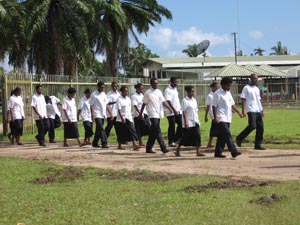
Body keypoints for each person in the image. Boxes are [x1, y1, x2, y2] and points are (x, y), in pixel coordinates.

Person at [139, 78, 172, 154]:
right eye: (154, 83)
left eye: (157, 83)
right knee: (157, 130)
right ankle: (163, 148)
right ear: (151, 84)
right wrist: (141, 114)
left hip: (158, 113)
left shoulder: (159, 92)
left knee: (153, 131)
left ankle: (148, 148)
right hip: (152, 113)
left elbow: (163, 101)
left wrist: (169, 108)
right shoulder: (147, 93)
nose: (156, 84)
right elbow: (144, 103)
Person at [212, 77, 243, 158]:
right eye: (228, 85)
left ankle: (218, 153)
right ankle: (233, 151)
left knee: (222, 136)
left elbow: (232, 104)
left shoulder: (228, 93)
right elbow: (214, 106)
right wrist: (215, 118)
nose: (229, 87)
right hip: (220, 117)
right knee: (227, 134)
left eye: (230, 85)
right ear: (223, 85)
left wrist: (239, 112)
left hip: (228, 117)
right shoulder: (217, 93)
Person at [236, 73, 265, 150]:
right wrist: (243, 111)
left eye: (257, 79)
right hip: (250, 109)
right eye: (255, 78)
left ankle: (258, 145)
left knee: (261, 127)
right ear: (251, 79)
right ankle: (239, 138)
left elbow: (259, 100)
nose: (256, 80)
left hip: (257, 110)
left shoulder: (257, 88)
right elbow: (243, 99)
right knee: (252, 126)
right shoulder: (246, 88)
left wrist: (262, 110)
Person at [175, 86, 205, 157]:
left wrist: (198, 119)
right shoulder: (185, 101)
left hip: (195, 121)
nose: (192, 93)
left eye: (193, 92)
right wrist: (186, 122)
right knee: (186, 137)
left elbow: (196, 110)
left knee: (198, 135)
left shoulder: (194, 100)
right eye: (191, 92)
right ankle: (178, 149)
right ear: (188, 92)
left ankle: (198, 151)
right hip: (189, 121)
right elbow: (184, 112)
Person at [90, 81, 113, 148]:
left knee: (98, 129)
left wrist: (110, 113)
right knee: (101, 128)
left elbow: (106, 104)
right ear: (98, 87)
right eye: (102, 87)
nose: (103, 88)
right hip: (97, 114)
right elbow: (91, 105)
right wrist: (92, 115)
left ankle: (95, 142)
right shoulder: (94, 94)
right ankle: (104, 142)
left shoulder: (104, 94)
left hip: (103, 114)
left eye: (104, 87)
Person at [116, 86, 139, 150]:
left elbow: (129, 108)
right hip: (121, 118)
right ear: (122, 92)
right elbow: (119, 109)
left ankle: (134, 144)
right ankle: (119, 145)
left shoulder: (128, 99)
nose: (126, 92)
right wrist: (122, 118)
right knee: (121, 132)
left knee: (132, 130)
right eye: (125, 91)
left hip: (128, 117)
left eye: (127, 91)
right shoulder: (119, 99)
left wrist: (130, 116)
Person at [164, 77, 183, 147]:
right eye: (175, 82)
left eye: (177, 82)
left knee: (181, 124)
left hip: (178, 110)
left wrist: (178, 109)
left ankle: (177, 139)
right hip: (171, 112)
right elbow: (168, 100)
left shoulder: (175, 89)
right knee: (172, 126)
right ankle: (171, 141)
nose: (176, 83)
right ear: (171, 82)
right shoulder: (167, 90)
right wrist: (173, 109)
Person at [204, 81, 219, 148]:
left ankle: (210, 143)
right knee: (214, 128)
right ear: (213, 87)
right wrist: (206, 116)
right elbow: (207, 106)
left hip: (218, 113)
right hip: (213, 114)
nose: (218, 88)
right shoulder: (210, 96)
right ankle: (209, 143)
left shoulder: (218, 94)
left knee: (216, 128)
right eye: (216, 87)